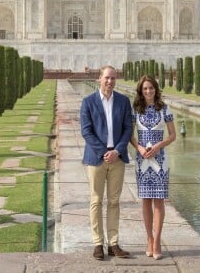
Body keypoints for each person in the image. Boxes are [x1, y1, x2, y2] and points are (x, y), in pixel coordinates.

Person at [80, 65, 133, 260]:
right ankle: (97, 243)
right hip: (96, 158)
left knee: (114, 202)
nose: (110, 81)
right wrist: (104, 152)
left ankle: (113, 243)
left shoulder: (123, 101)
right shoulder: (88, 102)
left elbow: (128, 129)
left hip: (117, 158)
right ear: (99, 79)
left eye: (113, 78)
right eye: (106, 78)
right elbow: (86, 131)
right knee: (95, 201)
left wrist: (117, 150)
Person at [130, 75, 176, 260]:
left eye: (151, 88)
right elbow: (131, 135)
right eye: (145, 89)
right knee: (146, 201)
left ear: (156, 89)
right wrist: (140, 148)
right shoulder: (136, 109)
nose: (148, 91)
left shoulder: (164, 108)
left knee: (159, 201)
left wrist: (158, 146)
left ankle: (157, 241)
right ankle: (148, 239)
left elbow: (173, 135)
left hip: (160, 160)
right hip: (142, 161)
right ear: (141, 91)